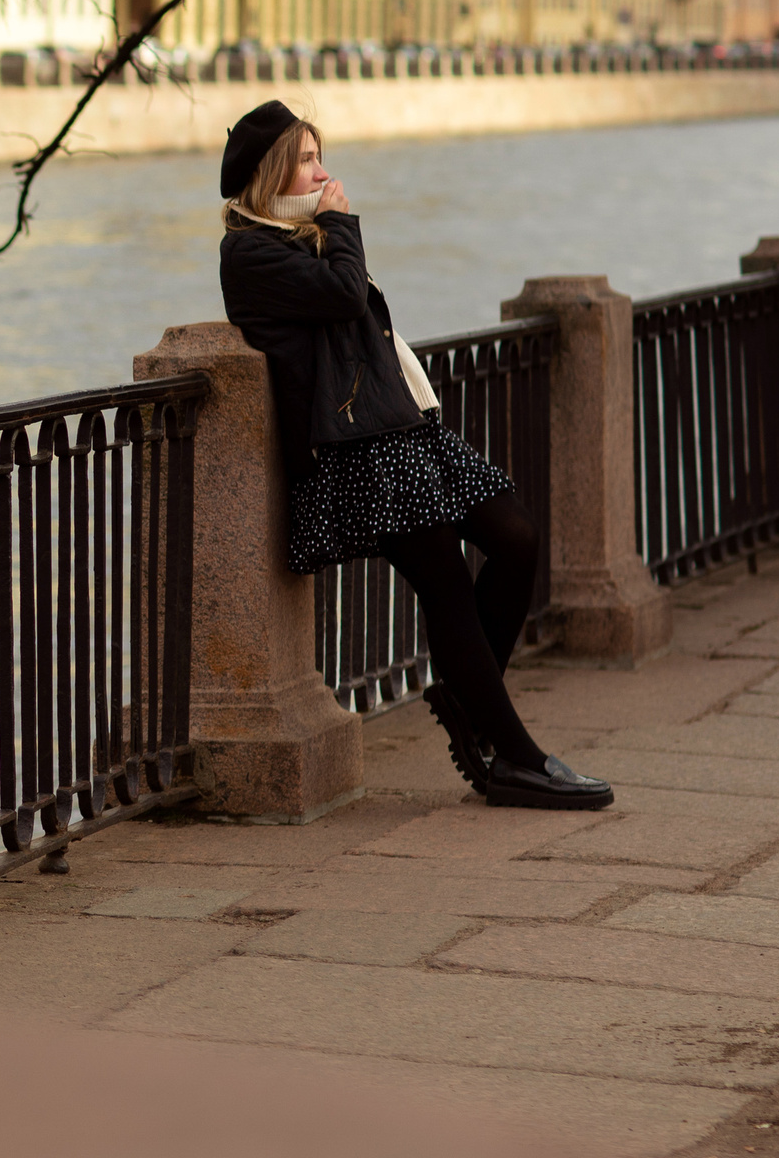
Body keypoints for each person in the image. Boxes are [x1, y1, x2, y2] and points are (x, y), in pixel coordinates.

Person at [214, 100, 612, 811]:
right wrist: (339, 223)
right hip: (356, 450)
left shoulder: (301, 236)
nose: (324, 170)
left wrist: (329, 228)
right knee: (448, 585)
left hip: (402, 428)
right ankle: (514, 757)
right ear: (272, 171)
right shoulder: (250, 252)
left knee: (516, 537)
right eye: (307, 159)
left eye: (319, 155)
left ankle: (468, 703)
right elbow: (341, 298)